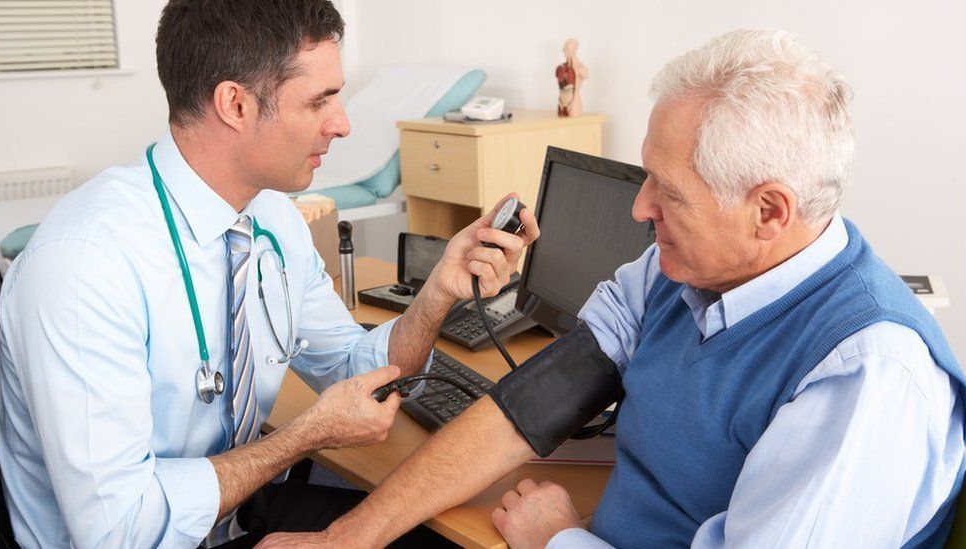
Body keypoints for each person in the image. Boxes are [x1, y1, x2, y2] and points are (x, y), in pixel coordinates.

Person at [258, 29, 966, 548]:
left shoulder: (867, 377)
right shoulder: (677, 269)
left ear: (770, 212)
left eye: (670, 192)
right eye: (646, 174)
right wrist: (348, 538)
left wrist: (561, 539)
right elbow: (524, 410)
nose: (640, 208)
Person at [0, 0, 539, 547]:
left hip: (234, 516)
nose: (343, 123)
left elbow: (357, 371)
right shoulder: (86, 266)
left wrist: (438, 293)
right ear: (235, 104)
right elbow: (118, 532)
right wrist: (303, 437)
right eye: (319, 100)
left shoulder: (271, 219)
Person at [555, 38, 589, 117]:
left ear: (574, 49)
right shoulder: (561, 68)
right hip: (561, 103)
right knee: (561, 127)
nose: (563, 50)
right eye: (564, 48)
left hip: (574, 103)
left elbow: (586, 74)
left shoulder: (580, 68)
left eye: (567, 48)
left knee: (573, 126)